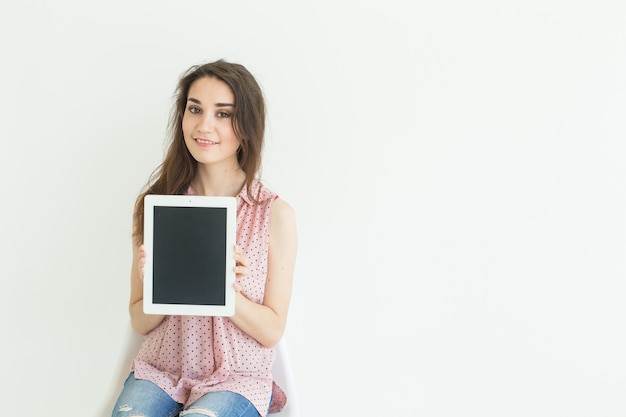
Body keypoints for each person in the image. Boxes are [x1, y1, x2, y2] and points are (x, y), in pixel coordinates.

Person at [111, 59, 298, 417]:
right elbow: (139, 320)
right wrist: (161, 283)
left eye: (223, 114)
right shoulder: (157, 205)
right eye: (194, 109)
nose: (204, 125)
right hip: (161, 373)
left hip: (238, 379)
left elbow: (272, 329)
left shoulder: (274, 215)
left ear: (246, 125)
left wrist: (225, 290)